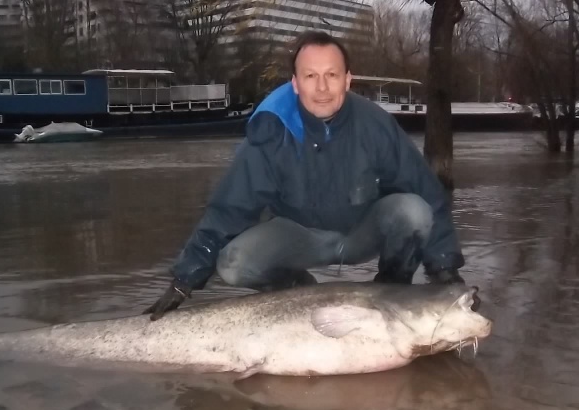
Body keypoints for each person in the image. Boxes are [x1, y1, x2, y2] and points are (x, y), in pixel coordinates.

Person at [144, 30, 465, 321]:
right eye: (311, 76)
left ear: (348, 80)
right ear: (295, 83)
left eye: (332, 75)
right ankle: (298, 291)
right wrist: (184, 281)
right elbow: (229, 209)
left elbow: (427, 193)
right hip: (301, 236)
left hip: (361, 232)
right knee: (232, 264)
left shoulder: (375, 124)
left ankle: (392, 294)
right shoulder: (272, 130)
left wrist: (445, 271)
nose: (322, 88)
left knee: (414, 210)